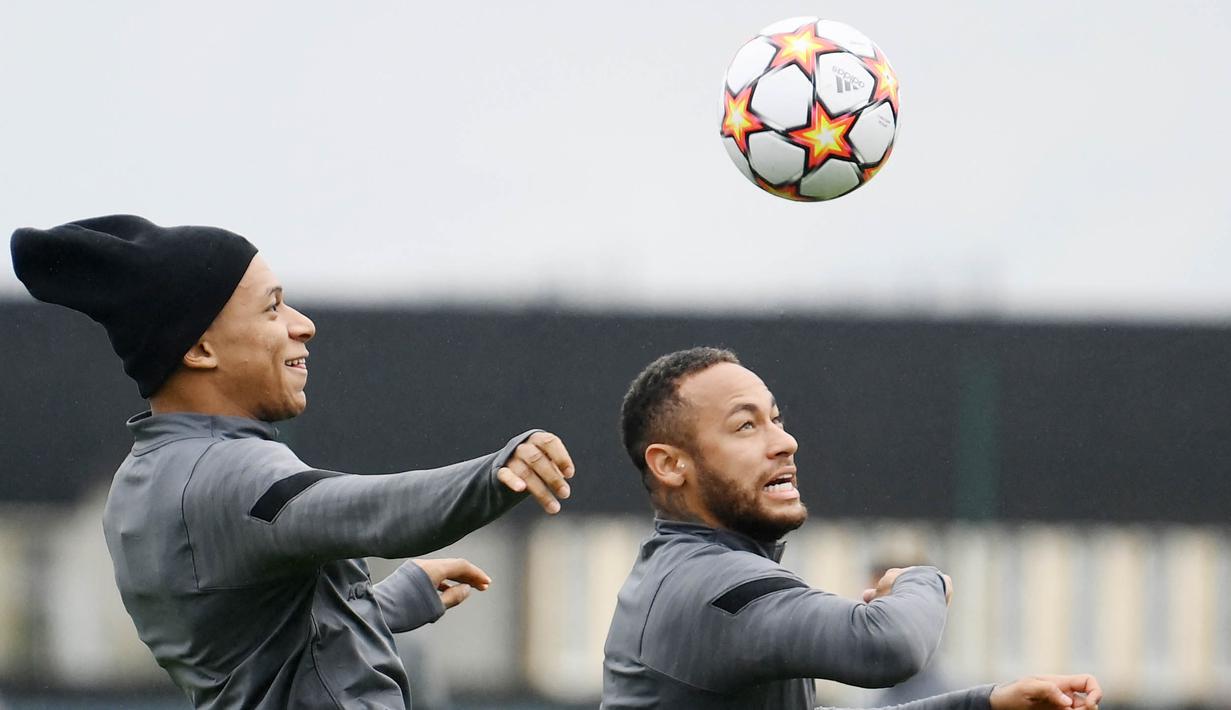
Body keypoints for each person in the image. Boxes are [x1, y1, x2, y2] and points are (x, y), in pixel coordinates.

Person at [10, 215, 576, 709]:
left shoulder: (146, 476)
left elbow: (261, 648)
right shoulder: (228, 474)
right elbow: (371, 510)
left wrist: (395, 600)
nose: (302, 324)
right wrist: (497, 472)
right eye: (273, 307)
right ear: (200, 349)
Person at [602, 347, 1101, 710]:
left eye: (776, 419)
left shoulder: (681, 569)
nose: (785, 442)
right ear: (669, 465)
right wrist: (922, 580)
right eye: (746, 426)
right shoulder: (715, 586)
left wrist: (989, 704)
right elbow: (889, 646)